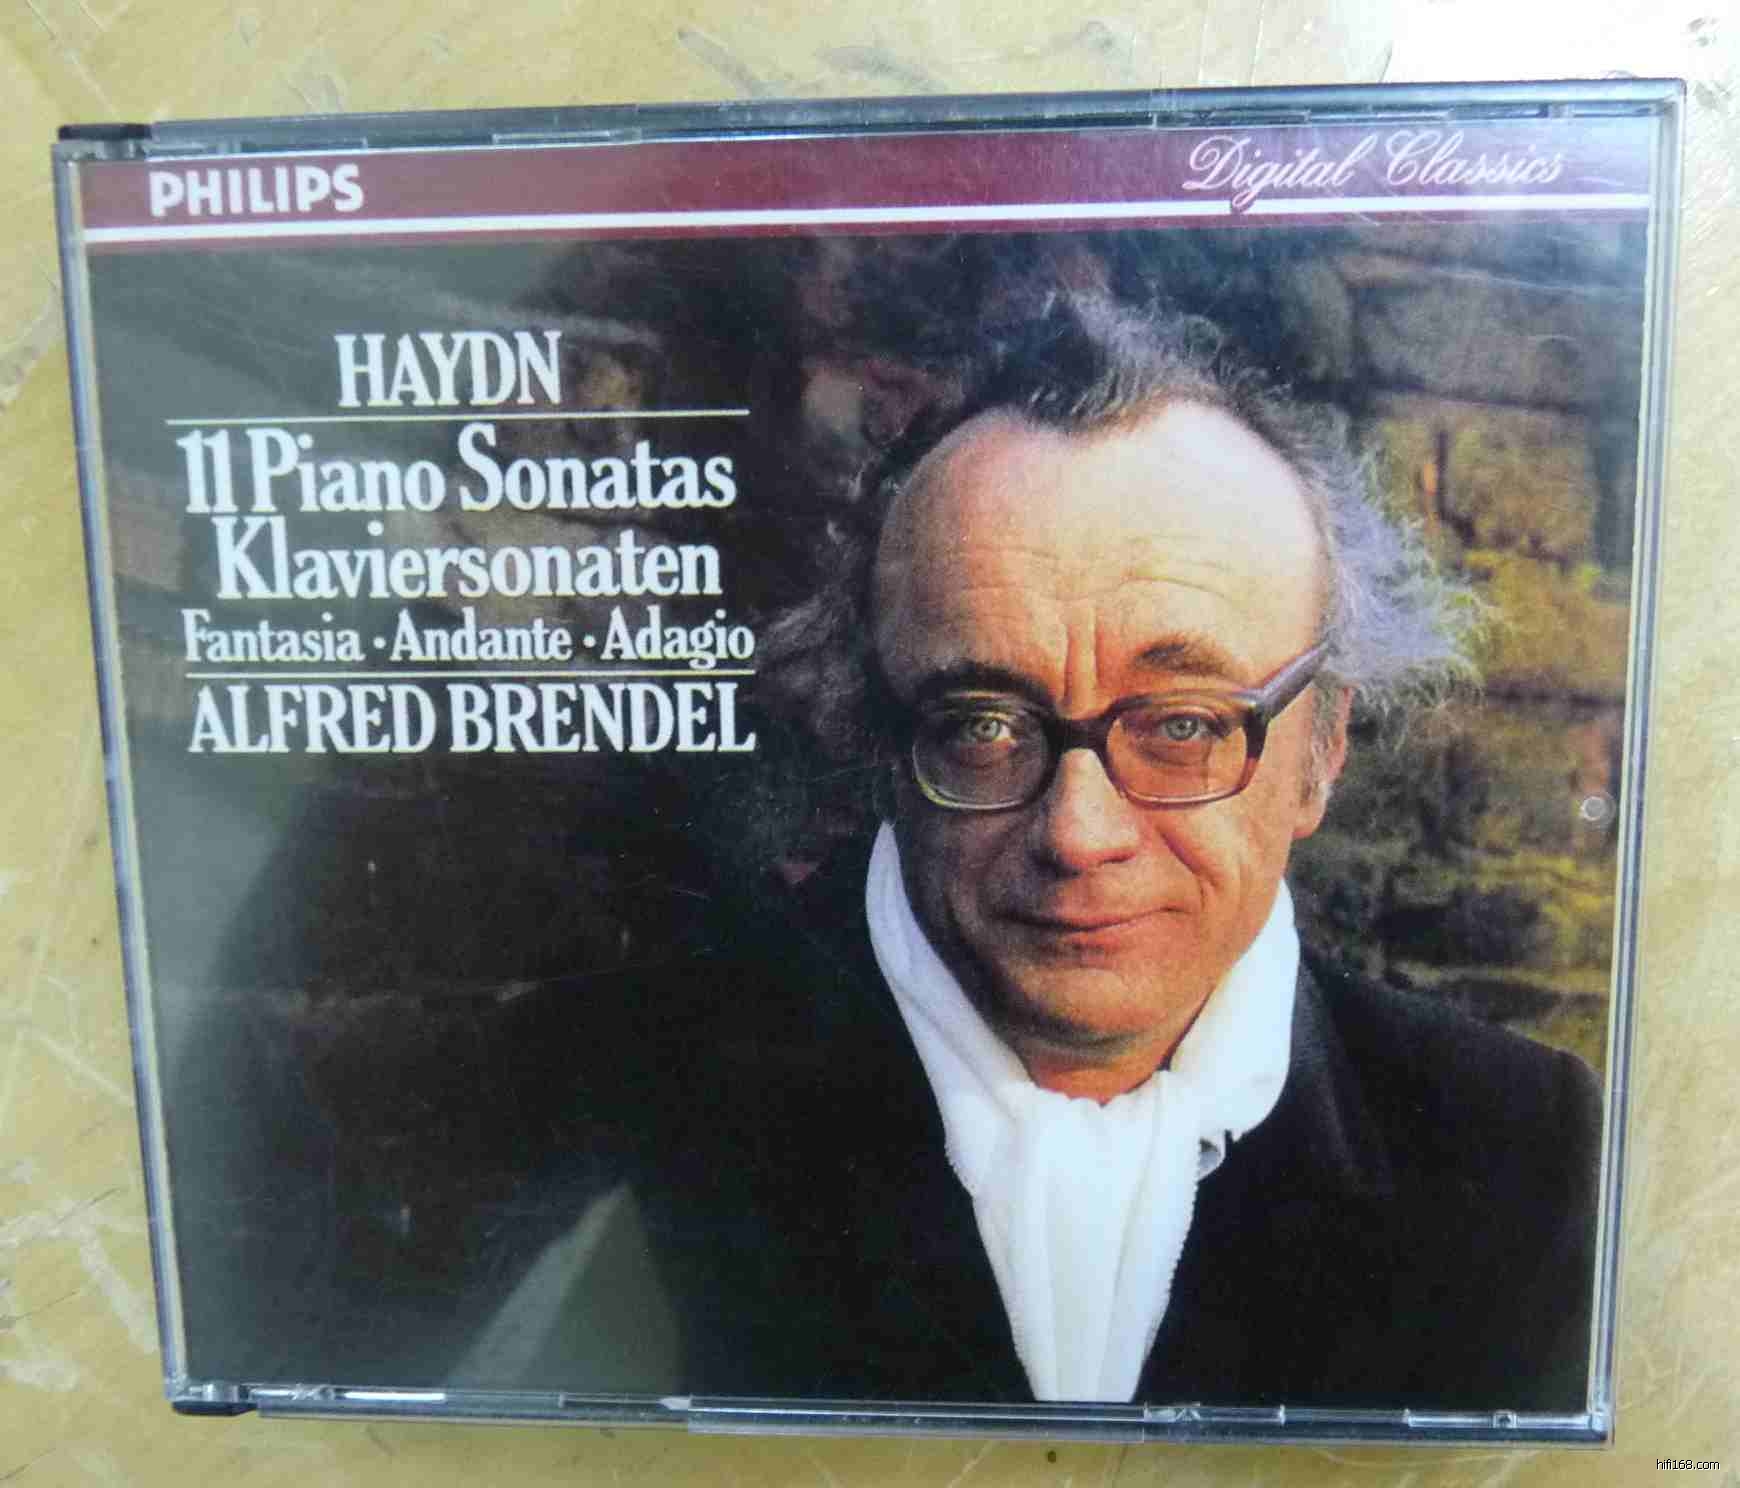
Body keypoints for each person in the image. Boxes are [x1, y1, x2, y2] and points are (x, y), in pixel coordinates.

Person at [508, 293, 1601, 1414]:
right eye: (984, 724)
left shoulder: (1529, 1153)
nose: (1079, 833)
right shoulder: (586, 1101)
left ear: (1321, 750)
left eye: (1184, 724)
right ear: (878, 736)